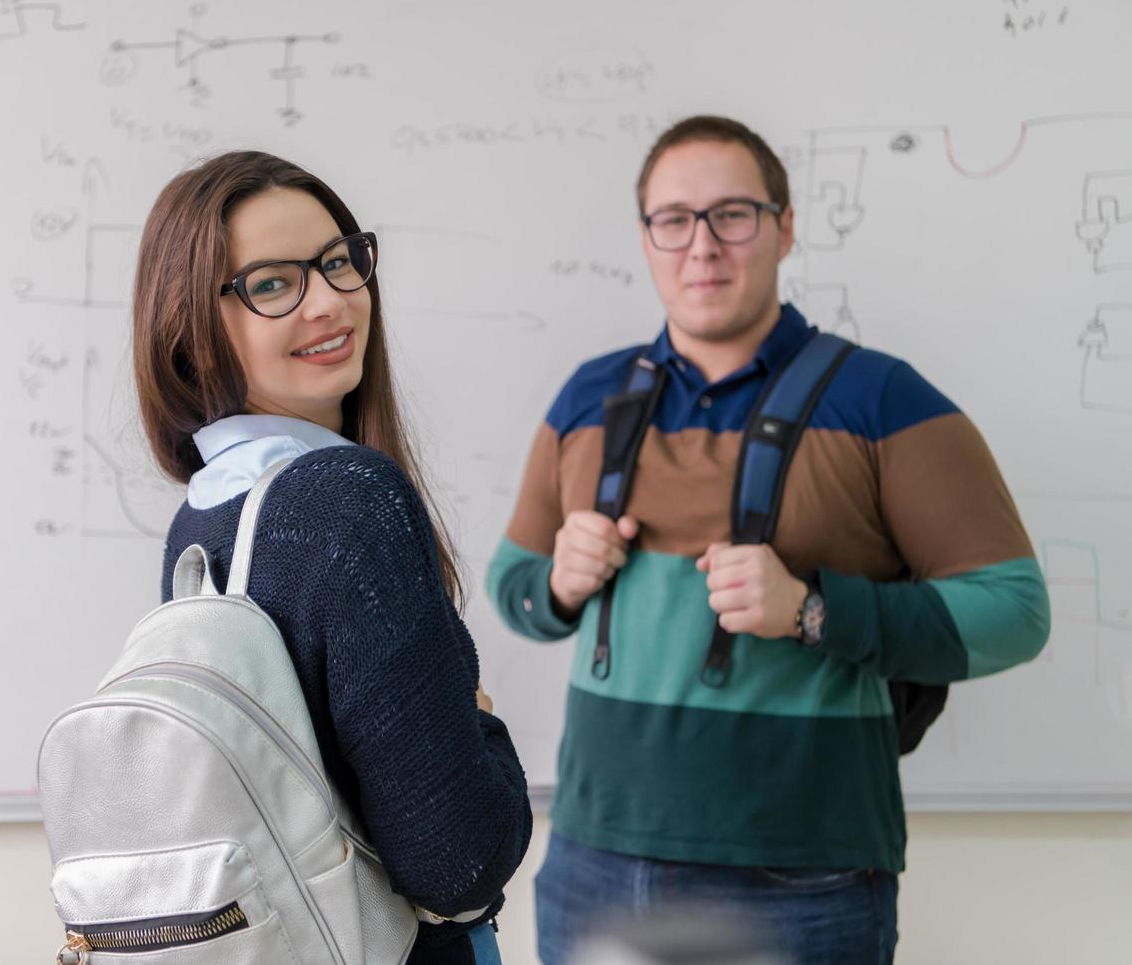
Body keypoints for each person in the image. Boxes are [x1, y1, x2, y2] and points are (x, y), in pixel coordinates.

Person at [486, 115, 1050, 964]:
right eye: (673, 219)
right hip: (593, 856)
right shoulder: (587, 398)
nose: (701, 246)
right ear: (646, 238)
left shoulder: (885, 400)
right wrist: (557, 584)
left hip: (805, 875)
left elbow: (1016, 612)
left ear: (785, 227)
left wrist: (814, 609)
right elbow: (513, 587)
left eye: (733, 215)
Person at [133, 149, 531, 965]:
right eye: (273, 284)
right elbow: (458, 864)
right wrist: (479, 720)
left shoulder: (202, 519)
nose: (332, 302)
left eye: (341, 262)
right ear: (191, 326)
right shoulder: (348, 499)